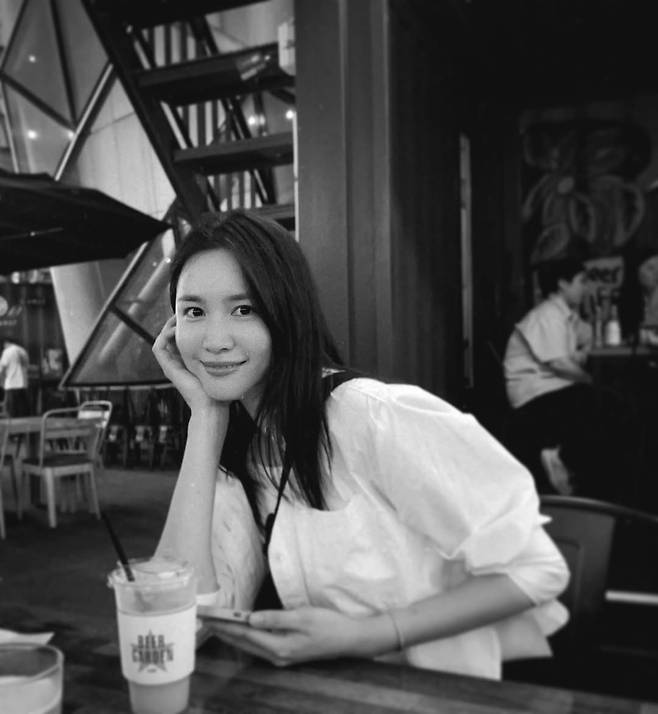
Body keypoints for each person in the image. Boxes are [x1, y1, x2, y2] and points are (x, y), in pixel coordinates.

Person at [152, 209, 569, 681]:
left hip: (438, 693)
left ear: (286, 313)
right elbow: (177, 622)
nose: (214, 340)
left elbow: (538, 568)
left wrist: (368, 634)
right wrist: (206, 420)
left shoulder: (370, 417)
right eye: (194, 312)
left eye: (243, 309)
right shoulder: (238, 443)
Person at [503, 257, 632, 499]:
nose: (585, 288)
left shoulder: (567, 316)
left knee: (610, 404)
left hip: (553, 389)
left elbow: (588, 336)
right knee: (608, 403)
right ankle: (560, 459)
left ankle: (587, 481)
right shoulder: (548, 315)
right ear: (563, 283)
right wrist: (590, 379)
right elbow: (560, 364)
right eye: (581, 281)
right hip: (534, 397)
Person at [0, 335, 30, 417]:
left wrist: (1, 380)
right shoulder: (22, 350)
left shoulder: (7, 351)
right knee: (23, 405)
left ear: (6, 343)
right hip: (23, 383)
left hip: (12, 383)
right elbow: (27, 365)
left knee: (12, 407)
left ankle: (13, 421)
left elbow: (2, 367)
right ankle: (25, 420)